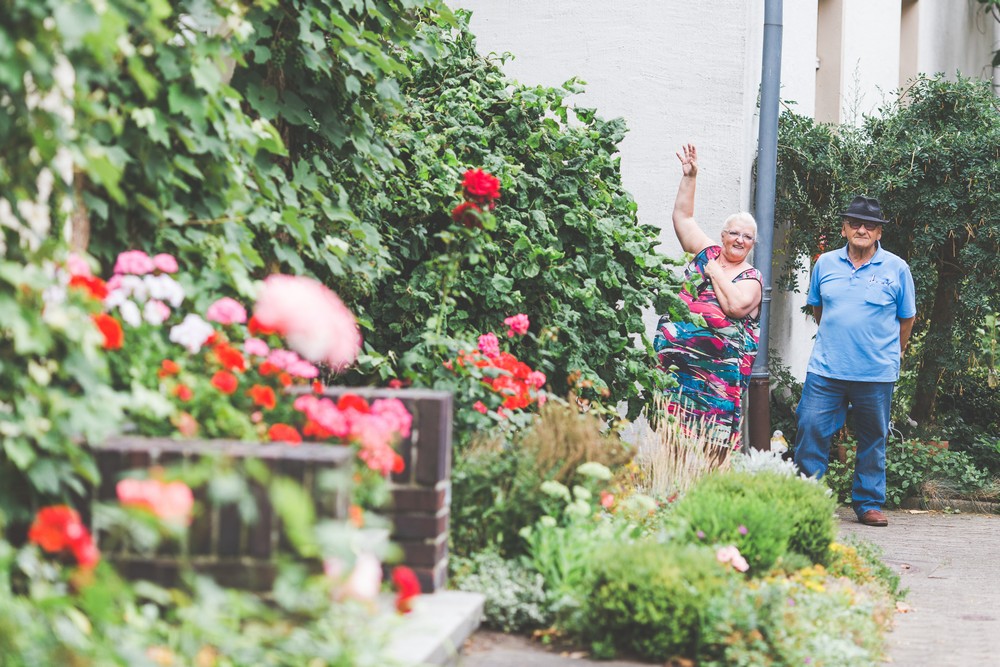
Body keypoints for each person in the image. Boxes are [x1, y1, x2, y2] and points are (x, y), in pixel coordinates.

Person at [793, 196, 916, 527]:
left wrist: (891, 352)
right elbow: (819, 310)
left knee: (873, 437)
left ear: (879, 233)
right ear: (845, 228)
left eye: (870, 225)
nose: (862, 229)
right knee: (810, 429)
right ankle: (808, 500)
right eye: (856, 223)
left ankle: (869, 503)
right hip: (827, 370)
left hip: (876, 373)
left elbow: (906, 319)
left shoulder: (897, 269)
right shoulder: (826, 264)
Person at [654, 144, 763, 447]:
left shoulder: (751, 279)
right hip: (677, 373)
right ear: (723, 234)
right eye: (734, 233)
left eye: (747, 236)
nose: (739, 239)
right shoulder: (708, 252)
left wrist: (714, 271)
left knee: (711, 446)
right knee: (671, 440)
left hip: (715, 385)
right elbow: (683, 217)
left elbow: (736, 306)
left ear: (752, 244)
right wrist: (690, 176)